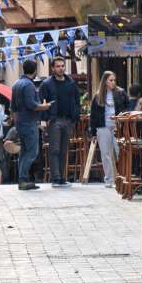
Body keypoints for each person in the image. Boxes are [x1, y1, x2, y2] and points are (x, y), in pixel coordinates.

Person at [41, 55, 82, 188]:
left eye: (63, 66)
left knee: (64, 150)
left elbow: (77, 100)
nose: (61, 68)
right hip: (54, 120)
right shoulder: (47, 84)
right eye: (58, 66)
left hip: (68, 120)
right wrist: (46, 119)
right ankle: (56, 177)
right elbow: (42, 101)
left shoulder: (71, 83)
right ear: (53, 68)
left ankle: (62, 177)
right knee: (54, 149)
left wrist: (75, 116)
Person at [12, 59, 50, 190]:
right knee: (32, 152)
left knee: (24, 152)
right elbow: (32, 105)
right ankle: (23, 179)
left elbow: (13, 107)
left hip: (20, 122)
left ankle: (22, 178)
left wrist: (16, 122)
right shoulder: (28, 85)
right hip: (29, 122)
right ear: (35, 70)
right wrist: (45, 106)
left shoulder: (16, 84)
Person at [90, 70, 129, 188]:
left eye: (114, 80)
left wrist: (123, 115)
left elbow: (128, 107)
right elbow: (93, 115)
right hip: (103, 126)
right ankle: (109, 179)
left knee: (119, 151)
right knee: (105, 153)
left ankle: (121, 177)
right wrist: (93, 133)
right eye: (110, 80)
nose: (113, 82)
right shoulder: (98, 96)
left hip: (118, 126)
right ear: (105, 81)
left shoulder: (121, 93)